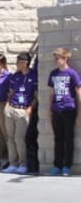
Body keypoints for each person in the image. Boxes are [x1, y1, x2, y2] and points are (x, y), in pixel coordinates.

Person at [47, 47, 81, 176]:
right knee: (58, 138)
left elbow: (78, 92)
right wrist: (49, 110)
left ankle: (67, 166)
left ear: (65, 58)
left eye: (58, 58)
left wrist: (79, 113)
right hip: (57, 109)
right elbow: (51, 93)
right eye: (55, 58)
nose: (55, 60)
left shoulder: (72, 73)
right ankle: (57, 165)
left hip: (69, 109)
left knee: (68, 138)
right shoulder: (53, 74)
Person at [2, 52, 36, 174]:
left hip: (23, 110)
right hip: (11, 109)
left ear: (25, 63)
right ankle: (12, 163)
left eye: (19, 62)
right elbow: (10, 93)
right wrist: (7, 106)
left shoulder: (34, 75)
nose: (17, 64)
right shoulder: (15, 76)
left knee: (19, 138)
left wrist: (30, 109)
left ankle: (23, 164)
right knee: (10, 138)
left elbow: (36, 96)